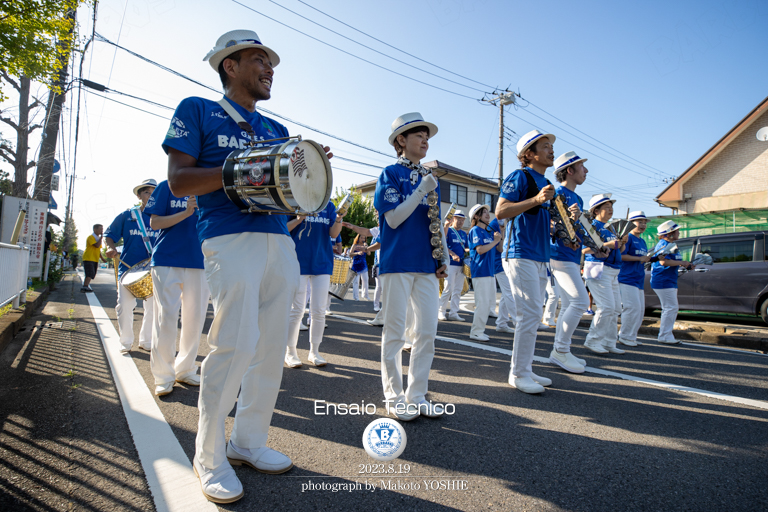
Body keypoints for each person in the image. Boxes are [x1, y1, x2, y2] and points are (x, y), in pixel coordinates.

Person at [162, 30, 332, 503]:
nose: (269, 67)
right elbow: (179, 181)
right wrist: (244, 170)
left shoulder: (277, 131)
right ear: (229, 66)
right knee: (234, 344)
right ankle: (209, 455)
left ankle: (248, 441)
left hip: (280, 241)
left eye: (270, 61)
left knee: (272, 347)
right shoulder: (196, 108)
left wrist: (303, 175)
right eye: (258, 59)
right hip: (227, 236)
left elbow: (288, 197)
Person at [374, 112, 449, 421]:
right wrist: (420, 188)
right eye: (418, 135)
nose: (425, 140)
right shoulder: (390, 173)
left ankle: (417, 393)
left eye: (427, 136)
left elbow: (436, 225)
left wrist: (442, 257)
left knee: (427, 332)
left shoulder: (431, 181)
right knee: (394, 333)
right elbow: (393, 218)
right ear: (401, 141)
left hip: (426, 265)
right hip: (397, 263)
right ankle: (393, 395)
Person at [495, 130, 557, 394]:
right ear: (529, 154)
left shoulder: (546, 182)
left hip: (539, 256)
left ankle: (526, 368)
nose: (551, 150)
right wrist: (536, 199)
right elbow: (501, 211)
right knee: (529, 314)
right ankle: (518, 374)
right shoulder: (520, 176)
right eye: (545, 146)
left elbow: (545, 222)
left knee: (533, 314)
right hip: (519, 253)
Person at [145, 180, 210, 397]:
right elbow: (154, 223)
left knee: (195, 319)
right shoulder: (168, 186)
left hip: (200, 261)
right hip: (167, 259)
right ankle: (163, 376)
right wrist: (186, 212)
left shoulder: (210, 188)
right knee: (166, 319)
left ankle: (185, 369)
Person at [284, 200, 344, 368]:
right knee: (297, 310)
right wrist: (299, 219)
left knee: (319, 311)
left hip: (322, 262)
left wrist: (338, 218)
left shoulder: (329, 206)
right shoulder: (296, 201)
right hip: (298, 262)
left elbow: (333, 234)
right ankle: (290, 352)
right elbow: (284, 228)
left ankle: (314, 352)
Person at [104, 179, 159, 354]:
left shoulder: (161, 217)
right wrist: (110, 247)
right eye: (147, 193)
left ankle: (146, 340)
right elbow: (109, 235)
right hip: (127, 270)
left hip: (154, 269)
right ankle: (126, 341)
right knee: (125, 306)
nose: (151, 197)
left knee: (152, 307)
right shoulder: (127, 216)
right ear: (139, 195)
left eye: (154, 193)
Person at [547, 151, 590, 373]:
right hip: (560, 256)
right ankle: (561, 351)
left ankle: (562, 349)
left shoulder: (579, 199)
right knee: (581, 302)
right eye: (583, 167)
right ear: (570, 170)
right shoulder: (557, 194)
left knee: (568, 305)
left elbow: (580, 230)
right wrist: (569, 220)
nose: (587, 171)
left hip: (572, 257)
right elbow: (550, 227)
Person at [582, 194, 626, 355]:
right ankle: (593, 340)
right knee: (606, 307)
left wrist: (622, 244)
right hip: (598, 269)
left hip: (614, 270)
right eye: (606, 208)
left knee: (615, 309)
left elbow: (619, 250)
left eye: (611, 207)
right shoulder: (591, 227)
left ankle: (608, 342)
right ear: (596, 211)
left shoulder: (611, 228)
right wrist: (607, 244)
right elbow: (584, 249)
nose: (610, 210)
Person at [651, 220, 693, 344]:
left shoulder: (671, 245)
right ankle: (664, 336)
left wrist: (686, 265)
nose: (679, 233)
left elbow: (672, 261)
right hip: (663, 280)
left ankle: (665, 335)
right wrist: (682, 263)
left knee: (670, 308)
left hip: (669, 280)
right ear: (669, 233)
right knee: (670, 308)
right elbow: (663, 262)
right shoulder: (663, 244)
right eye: (676, 231)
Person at [617, 211, 653, 347]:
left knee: (639, 310)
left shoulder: (642, 241)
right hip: (626, 278)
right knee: (631, 308)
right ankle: (624, 336)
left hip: (638, 279)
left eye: (644, 222)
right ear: (631, 224)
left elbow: (642, 258)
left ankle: (631, 336)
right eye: (639, 222)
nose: (643, 225)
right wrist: (639, 258)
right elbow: (622, 256)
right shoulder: (628, 238)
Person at [468, 204, 502, 341]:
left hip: (489, 271)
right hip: (480, 271)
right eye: (484, 213)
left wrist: (500, 236)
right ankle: (476, 332)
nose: (488, 215)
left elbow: (499, 249)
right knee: (482, 303)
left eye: (488, 212)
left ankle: (479, 330)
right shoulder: (475, 230)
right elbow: (480, 250)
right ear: (476, 216)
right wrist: (495, 241)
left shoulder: (488, 232)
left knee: (487, 304)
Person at [439, 210, 468, 321]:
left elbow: (465, 248)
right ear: (453, 219)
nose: (460, 221)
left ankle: (454, 313)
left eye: (462, 219)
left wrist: (472, 251)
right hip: (450, 264)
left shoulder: (464, 234)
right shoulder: (449, 231)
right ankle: (441, 311)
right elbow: (443, 245)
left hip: (461, 264)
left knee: (458, 289)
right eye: (458, 219)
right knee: (448, 288)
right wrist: (452, 254)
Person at [488, 216, 515, 333]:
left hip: (505, 261)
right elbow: (500, 247)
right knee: (510, 292)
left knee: (506, 294)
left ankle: (501, 323)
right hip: (499, 263)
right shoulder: (495, 224)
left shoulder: (503, 222)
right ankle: (518, 322)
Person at [82, 224, 106, 292]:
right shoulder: (91, 237)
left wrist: (102, 258)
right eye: (100, 229)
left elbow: (98, 250)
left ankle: (86, 286)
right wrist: (101, 238)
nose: (101, 231)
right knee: (89, 273)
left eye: (102, 229)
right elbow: (97, 246)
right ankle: (85, 286)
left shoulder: (98, 238)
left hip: (95, 258)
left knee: (92, 273)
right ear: (95, 230)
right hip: (89, 257)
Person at [350, 234, 370, 301]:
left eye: (364, 238)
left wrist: (367, 247)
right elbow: (350, 254)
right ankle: (356, 297)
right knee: (356, 282)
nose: (363, 239)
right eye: (362, 238)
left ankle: (365, 295)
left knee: (365, 280)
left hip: (363, 265)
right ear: (358, 238)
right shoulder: (355, 245)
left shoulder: (365, 246)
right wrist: (357, 253)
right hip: (355, 264)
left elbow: (369, 254)